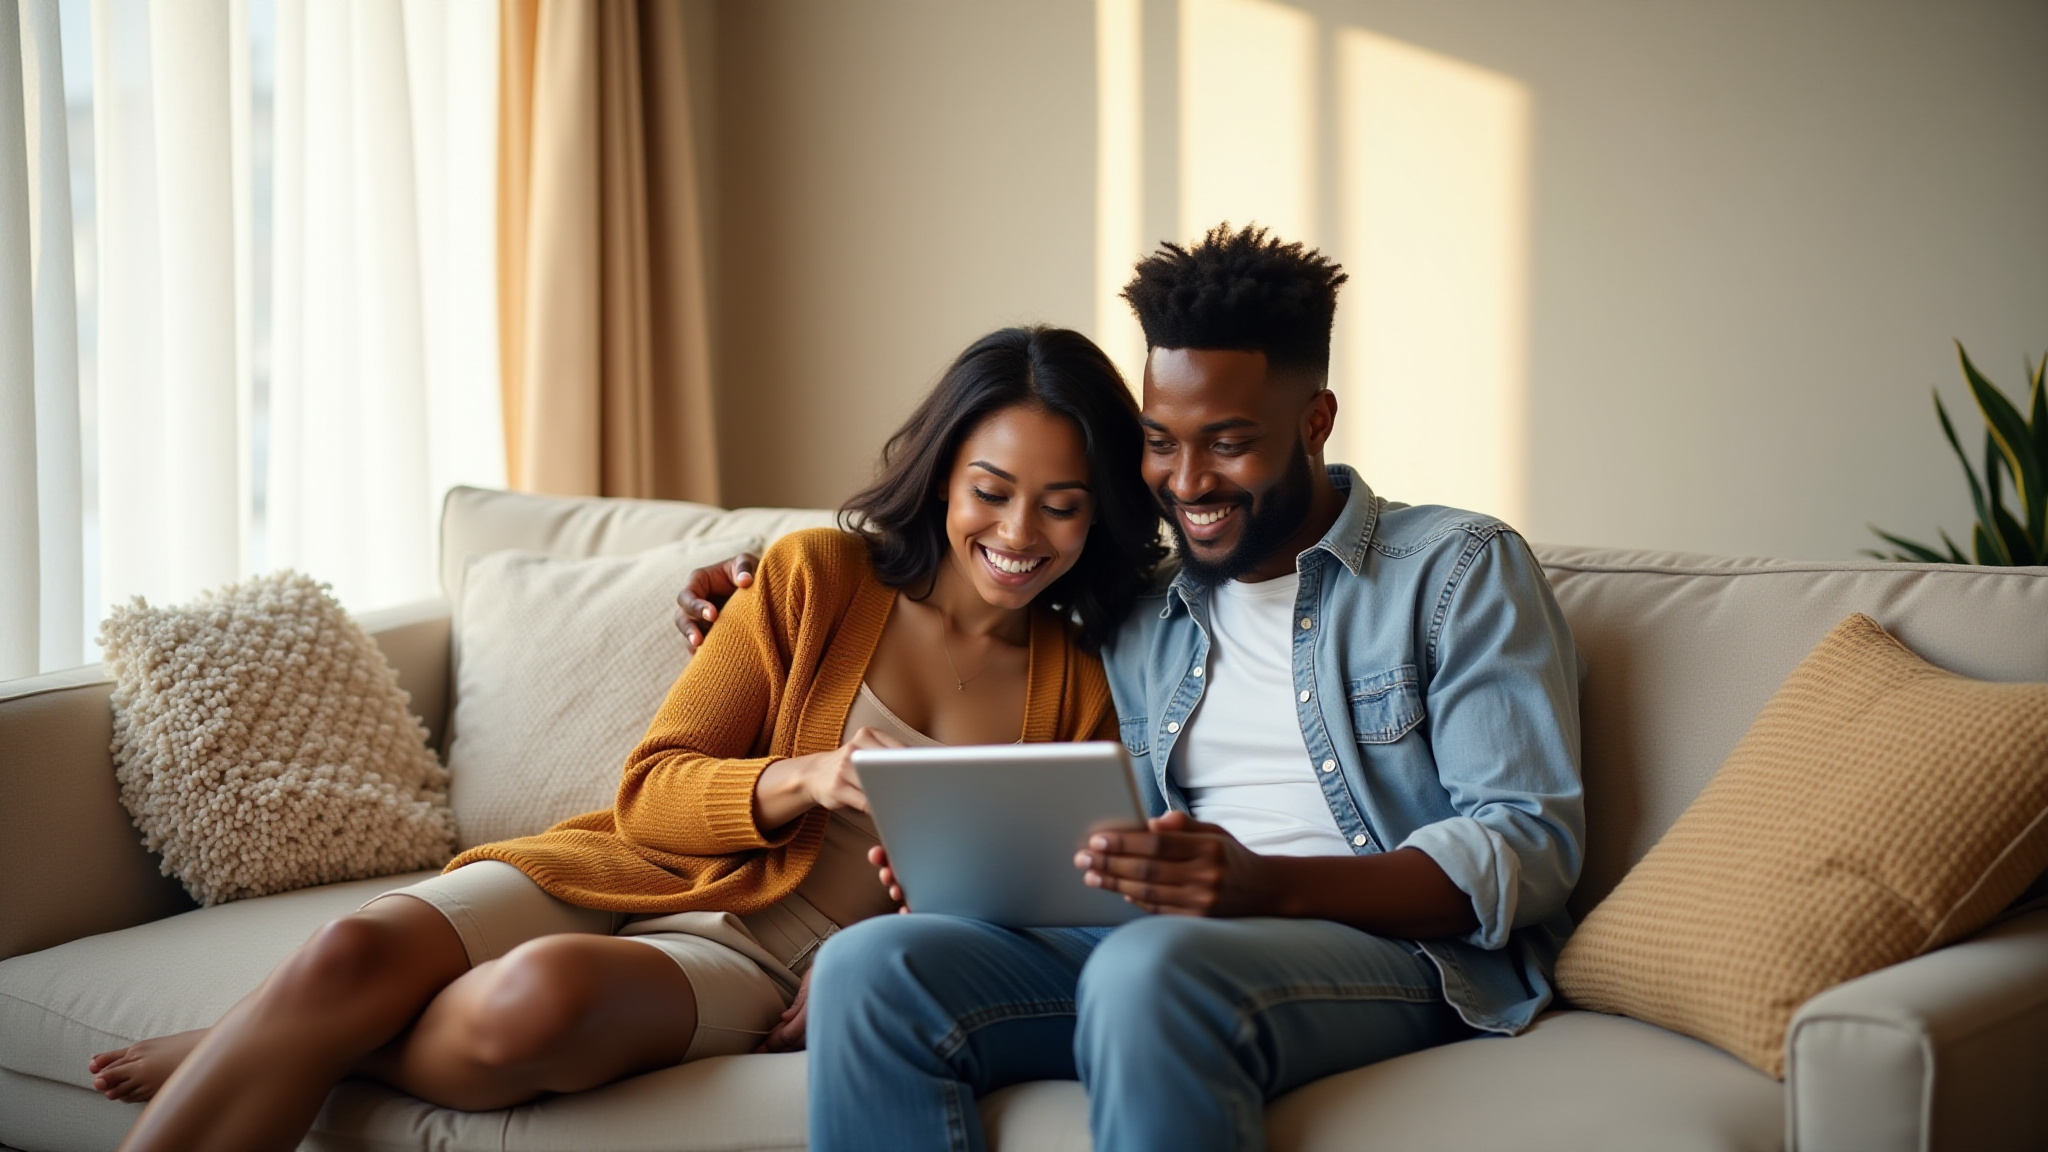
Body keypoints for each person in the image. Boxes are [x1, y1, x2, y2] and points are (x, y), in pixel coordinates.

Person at [92, 325, 1165, 1152]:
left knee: (528, 1010)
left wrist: (860, 962)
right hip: (624, 866)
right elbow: (653, 788)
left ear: (1099, 512)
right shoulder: (813, 577)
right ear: (943, 478)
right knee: (349, 950)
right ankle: (311, 1012)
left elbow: (1030, 905)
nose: (1018, 534)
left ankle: (293, 1032)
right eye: (991, 491)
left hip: (760, 958)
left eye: (1062, 507)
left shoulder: (1082, 682)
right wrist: (800, 778)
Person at [676, 225, 1586, 1152]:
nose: (1188, 482)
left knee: (1153, 967)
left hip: (1391, 955)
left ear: (1316, 421)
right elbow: (977, 570)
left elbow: (1527, 845)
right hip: (1147, 941)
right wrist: (747, 586)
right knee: (871, 968)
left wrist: (1262, 886)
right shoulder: (1143, 608)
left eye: (1230, 444)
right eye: (1161, 442)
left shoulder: (1457, 569)